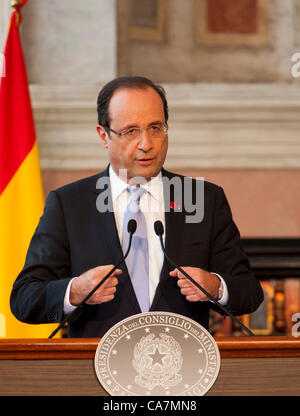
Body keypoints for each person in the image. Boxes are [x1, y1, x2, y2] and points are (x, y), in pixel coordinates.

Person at [10, 76, 263, 337]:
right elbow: (25, 299)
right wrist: (74, 291)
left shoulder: (202, 199)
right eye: (131, 131)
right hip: (95, 370)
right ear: (103, 135)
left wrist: (216, 286)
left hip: (185, 369)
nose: (146, 144)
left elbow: (249, 292)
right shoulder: (69, 204)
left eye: (155, 127)